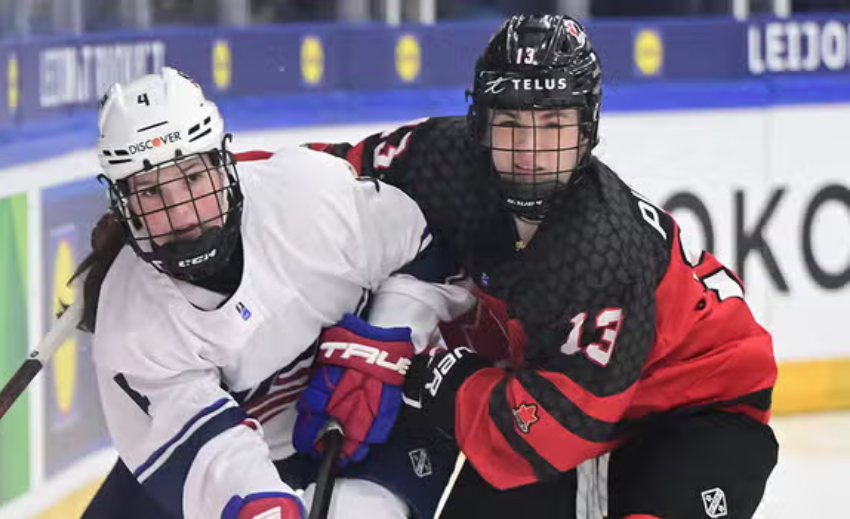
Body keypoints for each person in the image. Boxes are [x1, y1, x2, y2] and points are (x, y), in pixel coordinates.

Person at [299, 14, 779, 519]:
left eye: (552, 125)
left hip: (695, 409)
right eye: (509, 123)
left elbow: (550, 434)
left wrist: (430, 374)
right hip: (564, 391)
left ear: (587, 126)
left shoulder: (601, 250)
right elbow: (310, 183)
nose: (530, 152)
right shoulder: (441, 158)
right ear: (480, 122)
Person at [74, 67, 474, 519]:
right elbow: (215, 458)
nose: (181, 212)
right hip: (244, 457)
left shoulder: (308, 197)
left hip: (387, 430)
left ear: (223, 164)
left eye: (192, 178)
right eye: (150, 192)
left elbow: (425, 251)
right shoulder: (131, 321)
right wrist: (263, 509)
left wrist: (385, 339)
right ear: (124, 204)